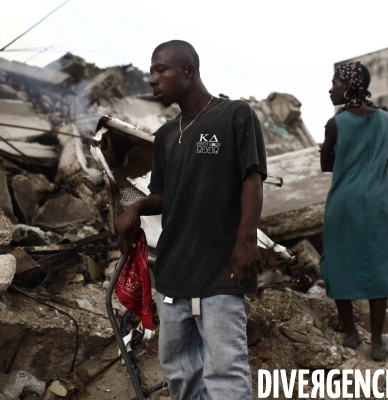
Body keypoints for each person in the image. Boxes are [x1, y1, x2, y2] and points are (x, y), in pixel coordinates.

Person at [114, 40, 267, 399]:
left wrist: (246, 241)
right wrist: (134, 209)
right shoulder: (166, 135)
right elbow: (165, 196)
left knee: (226, 374)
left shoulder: (234, 115)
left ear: (188, 70)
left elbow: (252, 178)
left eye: (160, 69)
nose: (152, 79)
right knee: (181, 374)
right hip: (173, 274)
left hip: (220, 272)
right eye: (151, 71)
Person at [319, 61, 388, 361]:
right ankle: (379, 342)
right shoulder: (385, 120)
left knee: (339, 260)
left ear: (350, 85)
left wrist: (343, 160)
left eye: (336, 83)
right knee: (378, 264)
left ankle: (352, 332)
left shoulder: (336, 124)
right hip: (379, 202)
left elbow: (325, 164)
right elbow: (386, 161)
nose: (331, 88)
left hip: (344, 201)